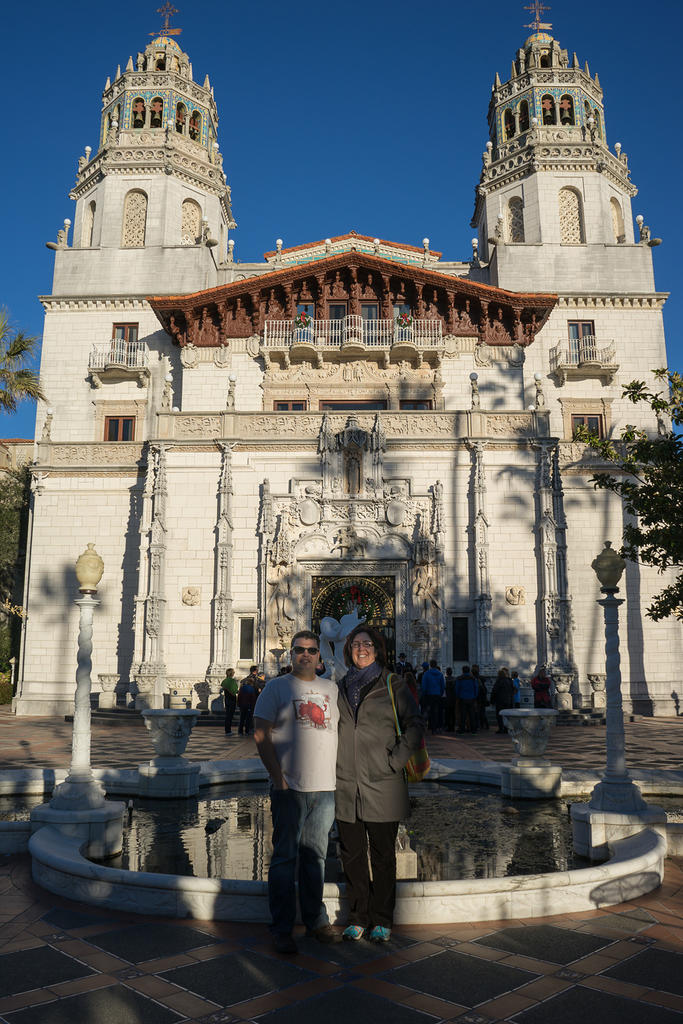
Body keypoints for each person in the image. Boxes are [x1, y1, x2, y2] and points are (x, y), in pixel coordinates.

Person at [253, 630, 340, 955]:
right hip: (290, 788)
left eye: (311, 650)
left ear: (320, 656)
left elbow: (337, 733)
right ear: (292, 654)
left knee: (315, 857)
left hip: (325, 788)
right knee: (285, 857)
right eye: (300, 650)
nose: (305, 654)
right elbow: (260, 734)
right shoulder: (276, 688)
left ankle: (316, 920)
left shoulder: (330, 689)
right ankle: (282, 927)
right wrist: (279, 779)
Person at [336, 624, 424, 943]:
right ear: (348, 649)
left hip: (382, 781)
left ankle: (383, 918)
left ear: (378, 649)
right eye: (357, 644)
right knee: (352, 853)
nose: (362, 649)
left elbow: (415, 723)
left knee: (383, 855)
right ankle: (358, 916)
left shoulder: (392, 683)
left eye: (368, 644)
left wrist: (395, 760)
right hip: (346, 782)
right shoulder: (340, 685)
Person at [420, 659, 446, 734]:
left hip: (429, 694)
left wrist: (424, 694)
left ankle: (427, 726)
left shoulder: (426, 674)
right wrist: (440, 693)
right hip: (437, 694)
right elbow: (442, 686)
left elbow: (424, 685)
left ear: (430, 665)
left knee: (427, 710)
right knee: (436, 711)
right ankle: (434, 728)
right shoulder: (440, 674)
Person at [454, 665, 478, 734]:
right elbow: (476, 688)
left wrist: (458, 696)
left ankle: (462, 729)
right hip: (471, 698)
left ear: (462, 671)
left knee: (463, 715)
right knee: (472, 714)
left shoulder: (459, 679)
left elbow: (457, 689)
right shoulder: (473, 679)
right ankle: (473, 729)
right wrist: (474, 696)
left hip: (462, 698)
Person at [491, 667, 515, 733]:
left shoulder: (499, 681)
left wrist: (492, 700)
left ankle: (501, 728)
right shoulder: (509, 681)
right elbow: (513, 690)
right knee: (507, 715)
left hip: (500, 701)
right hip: (508, 701)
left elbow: (494, 691)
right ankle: (506, 728)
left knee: (499, 715)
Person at [237, 670, 257, 735]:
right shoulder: (251, 689)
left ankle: (240, 731)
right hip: (248, 705)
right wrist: (253, 705)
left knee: (242, 718)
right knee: (248, 719)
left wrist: (238, 704)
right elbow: (253, 698)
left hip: (242, 705)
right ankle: (247, 731)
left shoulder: (242, 688)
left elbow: (239, 696)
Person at [220, 667, 238, 735]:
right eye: (233, 672)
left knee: (228, 715)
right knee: (230, 715)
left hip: (227, 699)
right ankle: (228, 731)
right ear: (231, 673)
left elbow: (224, 687)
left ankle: (227, 730)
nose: (234, 673)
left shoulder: (225, 681)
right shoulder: (232, 681)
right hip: (232, 699)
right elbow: (235, 690)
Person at [472, 664, 489, 731]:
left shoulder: (474, 679)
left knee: (477, 712)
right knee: (482, 712)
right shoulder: (481, 678)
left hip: (477, 697)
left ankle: (479, 725)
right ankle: (484, 725)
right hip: (482, 697)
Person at [444, 667, 457, 732]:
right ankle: (452, 726)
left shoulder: (445, 680)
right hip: (453, 699)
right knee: (452, 713)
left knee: (447, 714)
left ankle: (448, 726)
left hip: (447, 699)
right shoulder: (455, 680)